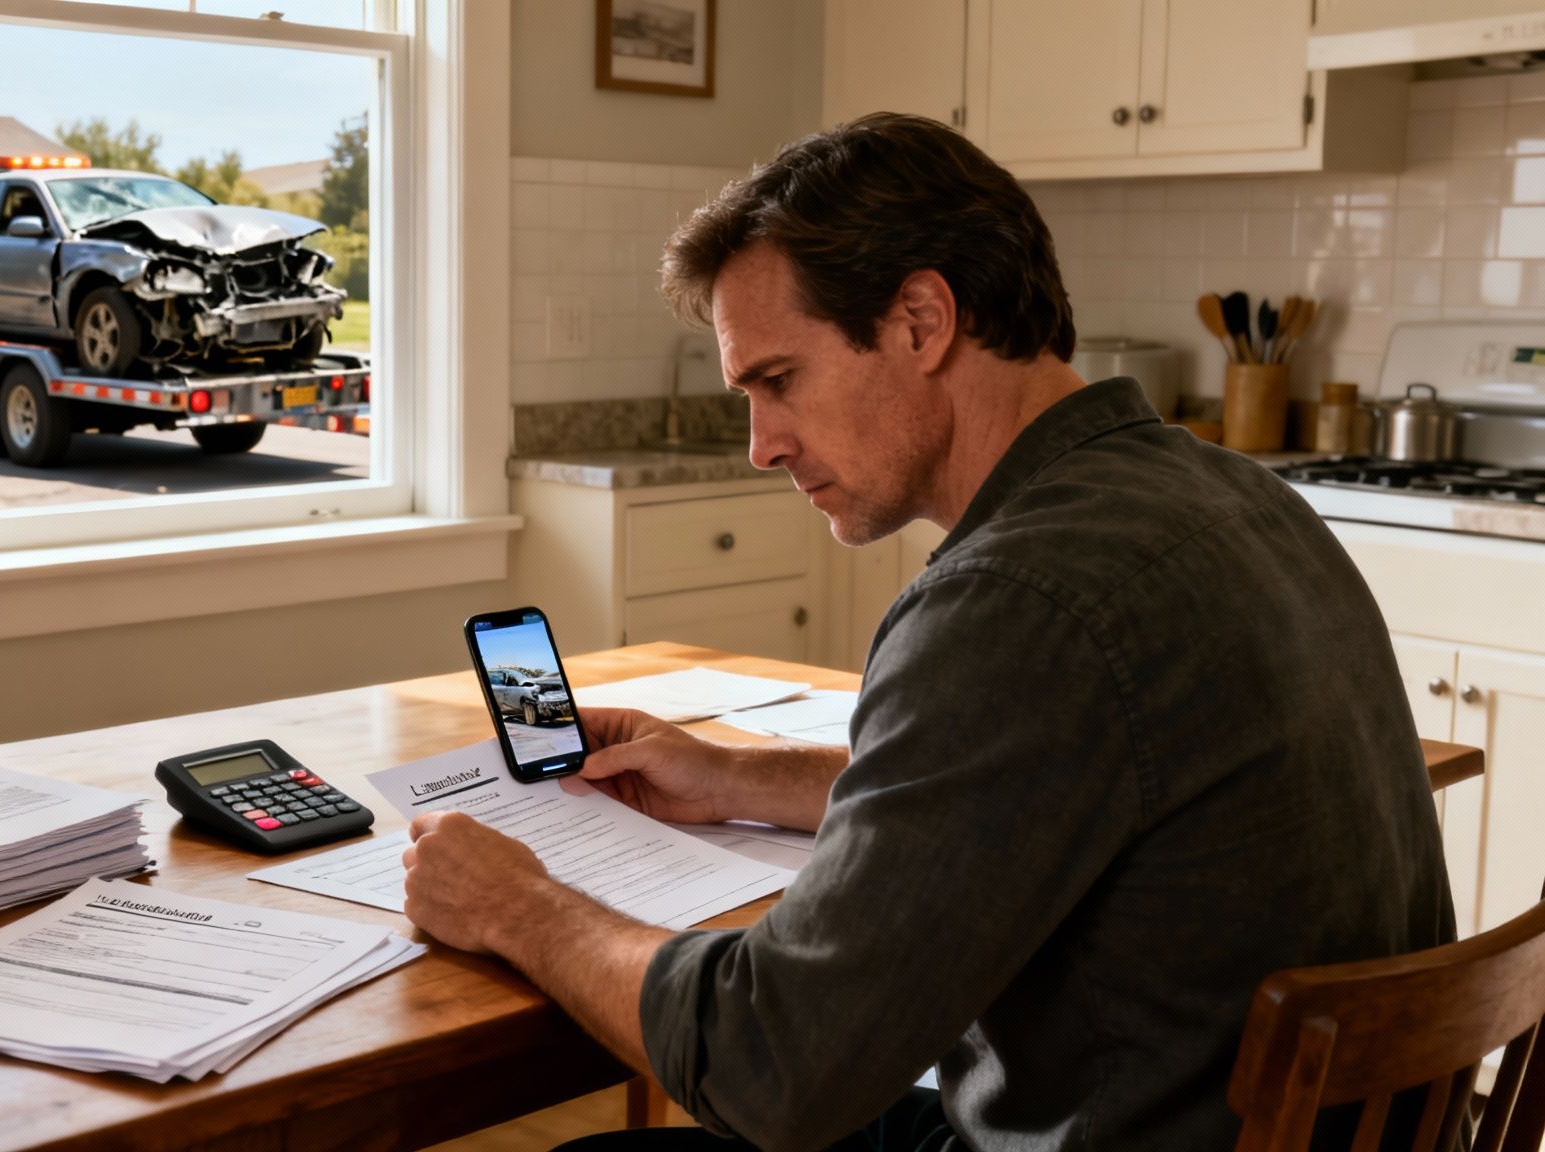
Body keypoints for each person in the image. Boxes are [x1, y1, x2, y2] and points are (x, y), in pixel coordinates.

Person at [399, 113, 1453, 1151]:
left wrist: (519, 907)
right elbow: (1040, 790)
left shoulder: (1013, 597)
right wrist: (736, 778)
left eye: (777, 381)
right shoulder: (1233, 495)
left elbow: (774, 1064)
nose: (761, 446)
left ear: (918, 321)